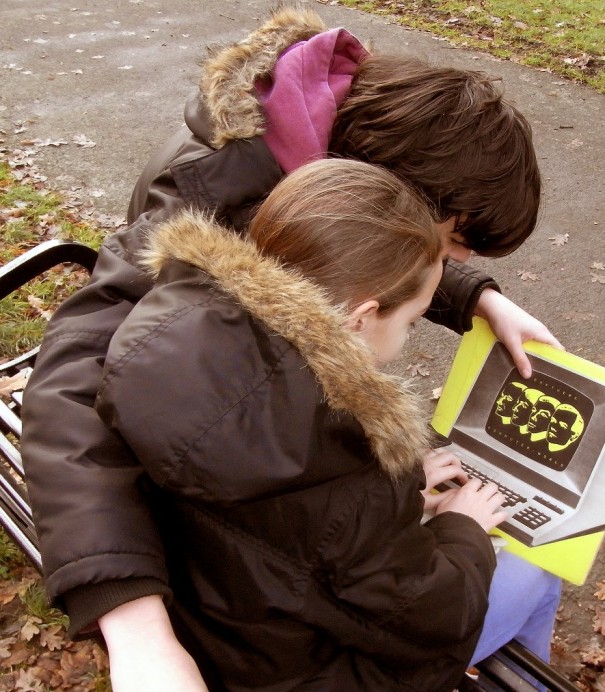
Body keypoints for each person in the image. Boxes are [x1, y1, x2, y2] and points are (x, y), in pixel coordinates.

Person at [22, 3, 561, 672]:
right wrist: (135, 624)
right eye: (449, 246)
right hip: (219, 571)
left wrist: (474, 297)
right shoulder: (211, 195)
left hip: (242, 542)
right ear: (391, 187)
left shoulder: (317, 139)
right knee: (537, 576)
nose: (448, 265)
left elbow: (353, 242)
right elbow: (68, 387)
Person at [93, 158, 555, 691]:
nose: (405, 341)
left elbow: (302, 537)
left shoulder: (168, 339)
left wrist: (395, 496)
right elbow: (430, 613)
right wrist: (463, 528)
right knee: (537, 577)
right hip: (311, 671)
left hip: (219, 633)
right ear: (359, 319)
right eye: (409, 321)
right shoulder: (337, 458)